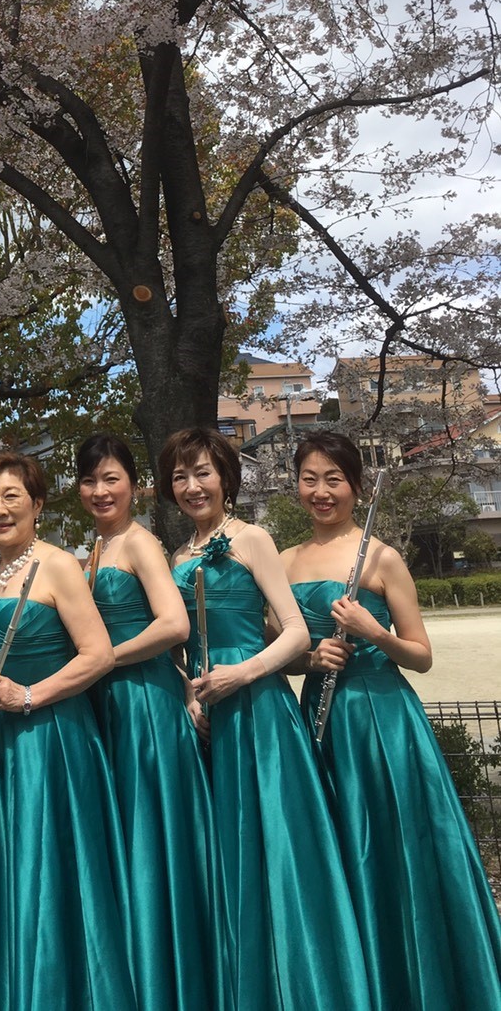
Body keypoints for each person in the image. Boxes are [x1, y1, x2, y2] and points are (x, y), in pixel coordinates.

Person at [282, 431, 501, 1011]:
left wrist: (374, 632)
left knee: (393, 849)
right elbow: (279, 650)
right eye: (309, 479)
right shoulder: (283, 561)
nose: (321, 491)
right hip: (318, 721)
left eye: (334, 480)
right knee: (334, 850)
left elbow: (421, 655)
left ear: (355, 486)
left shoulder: (381, 557)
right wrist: (310, 659)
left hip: (383, 723)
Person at [164, 426, 373, 1011]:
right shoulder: (176, 555)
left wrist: (241, 674)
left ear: (226, 478)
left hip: (259, 711)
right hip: (207, 714)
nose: (192, 486)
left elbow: (296, 632)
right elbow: (178, 645)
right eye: (180, 476)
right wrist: (189, 696)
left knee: (276, 849)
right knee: (224, 853)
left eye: (203, 472)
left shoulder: (253, 538)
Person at [0, 451, 137, 1010]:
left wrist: (28, 696)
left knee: (49, 875)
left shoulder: (58, 565)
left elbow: (98, 654)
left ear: (36, 504)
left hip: (53, 739)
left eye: (12, 496)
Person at [77, 433, 230, 1011]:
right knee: (123, 836)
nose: (100, 490)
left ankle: (171, 979)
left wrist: (102, 660)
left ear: (135, 486)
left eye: (111, 479)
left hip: (144, 706)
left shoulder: (140, 543)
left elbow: (173, 626)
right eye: (89, 480)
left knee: (152, 837)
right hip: (108, 705)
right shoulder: (95, 549)